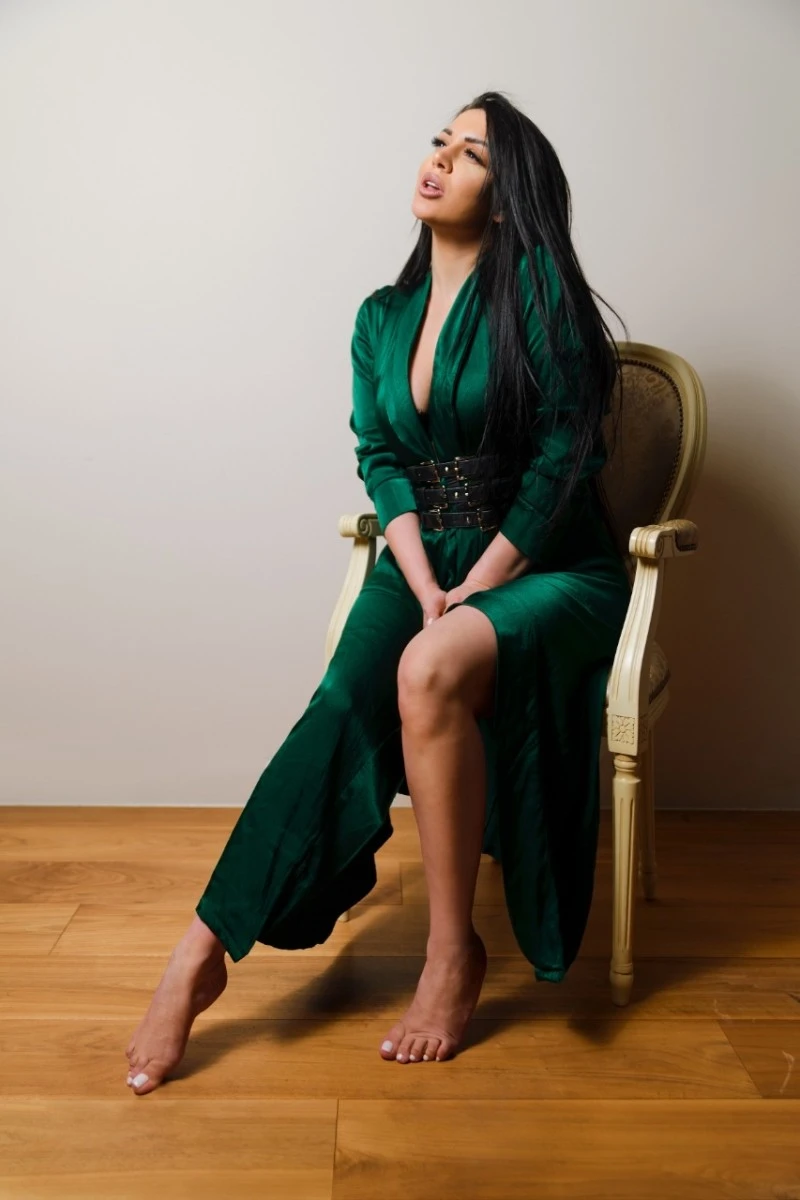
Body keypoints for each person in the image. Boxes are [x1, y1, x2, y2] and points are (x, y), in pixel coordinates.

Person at [124, 90, 632, 1096]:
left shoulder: (537, 292)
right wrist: (423, 580)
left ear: (506, 196)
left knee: (429, 665)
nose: (439, 159)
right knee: (337, 706)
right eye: (438, 141)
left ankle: (452, 955)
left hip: (548, 569)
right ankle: (199, 953)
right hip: (422, 563)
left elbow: (561, 461)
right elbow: (381, 458)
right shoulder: (379, 316)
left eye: (471, 154)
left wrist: (477, 585)